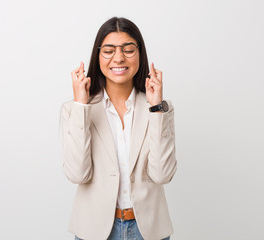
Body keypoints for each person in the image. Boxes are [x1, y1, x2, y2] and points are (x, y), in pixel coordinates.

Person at [61, 17, 177, 240]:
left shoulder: (159, 107)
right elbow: (77, 174)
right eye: (109, 50)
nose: (119, 58)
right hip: (94, 231)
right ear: (98, 56)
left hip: (149, 231)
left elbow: (162, 175)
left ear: (140, 53)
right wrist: (81, 106)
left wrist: (156, 109)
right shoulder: (76, 109)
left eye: (128, 49)